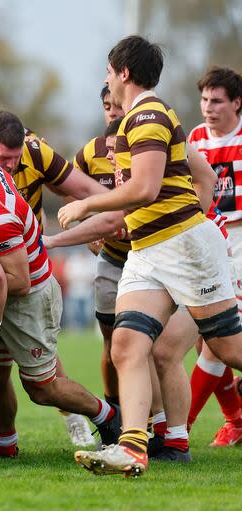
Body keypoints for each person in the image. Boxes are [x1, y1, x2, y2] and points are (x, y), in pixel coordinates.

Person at [64, 35, 242, 477]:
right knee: (126, 346)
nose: (106, 77)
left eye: (109, 70)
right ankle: (133, 447)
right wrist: (181, 216)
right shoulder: (136, 121)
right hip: (147, 252)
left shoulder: (147, 114)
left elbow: (143, 189)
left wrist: (88, 204)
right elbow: (201, 177)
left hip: (180, 249)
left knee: (226, 347)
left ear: (123, 72)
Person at [0, 128, 121, 459]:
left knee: (42, 389)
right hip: (6, 294)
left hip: (28, 299)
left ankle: (109, 416)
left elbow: (19, 281)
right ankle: (4, 443)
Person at [186, 66, 242, 447]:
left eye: (217, 100)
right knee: (201, 337)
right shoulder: (194, 138)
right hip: (208, 241)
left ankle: (178, 428)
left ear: (237, 103)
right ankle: (236, 420)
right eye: (204, 99)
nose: (208, 107)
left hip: (239, 241)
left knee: (216, 340)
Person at [71, 86, 125, 409]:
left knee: (149, 345)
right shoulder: (91, 151)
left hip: (149, 256)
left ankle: (157, 423)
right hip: (113, 258)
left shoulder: (148, 143)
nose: (112, 112)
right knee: (111, 341)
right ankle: (115, 411)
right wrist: (86, 226)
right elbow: (68, 186)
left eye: (117, 105)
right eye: (107, 106)